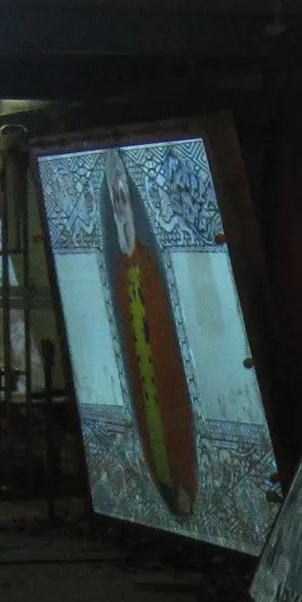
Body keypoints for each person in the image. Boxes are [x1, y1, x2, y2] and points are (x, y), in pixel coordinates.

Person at [100, 149, 198, 520]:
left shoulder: (148, 267)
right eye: (115, 201)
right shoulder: (123, 272)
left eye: (125, 199)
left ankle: (183, 487)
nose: (121, 210)